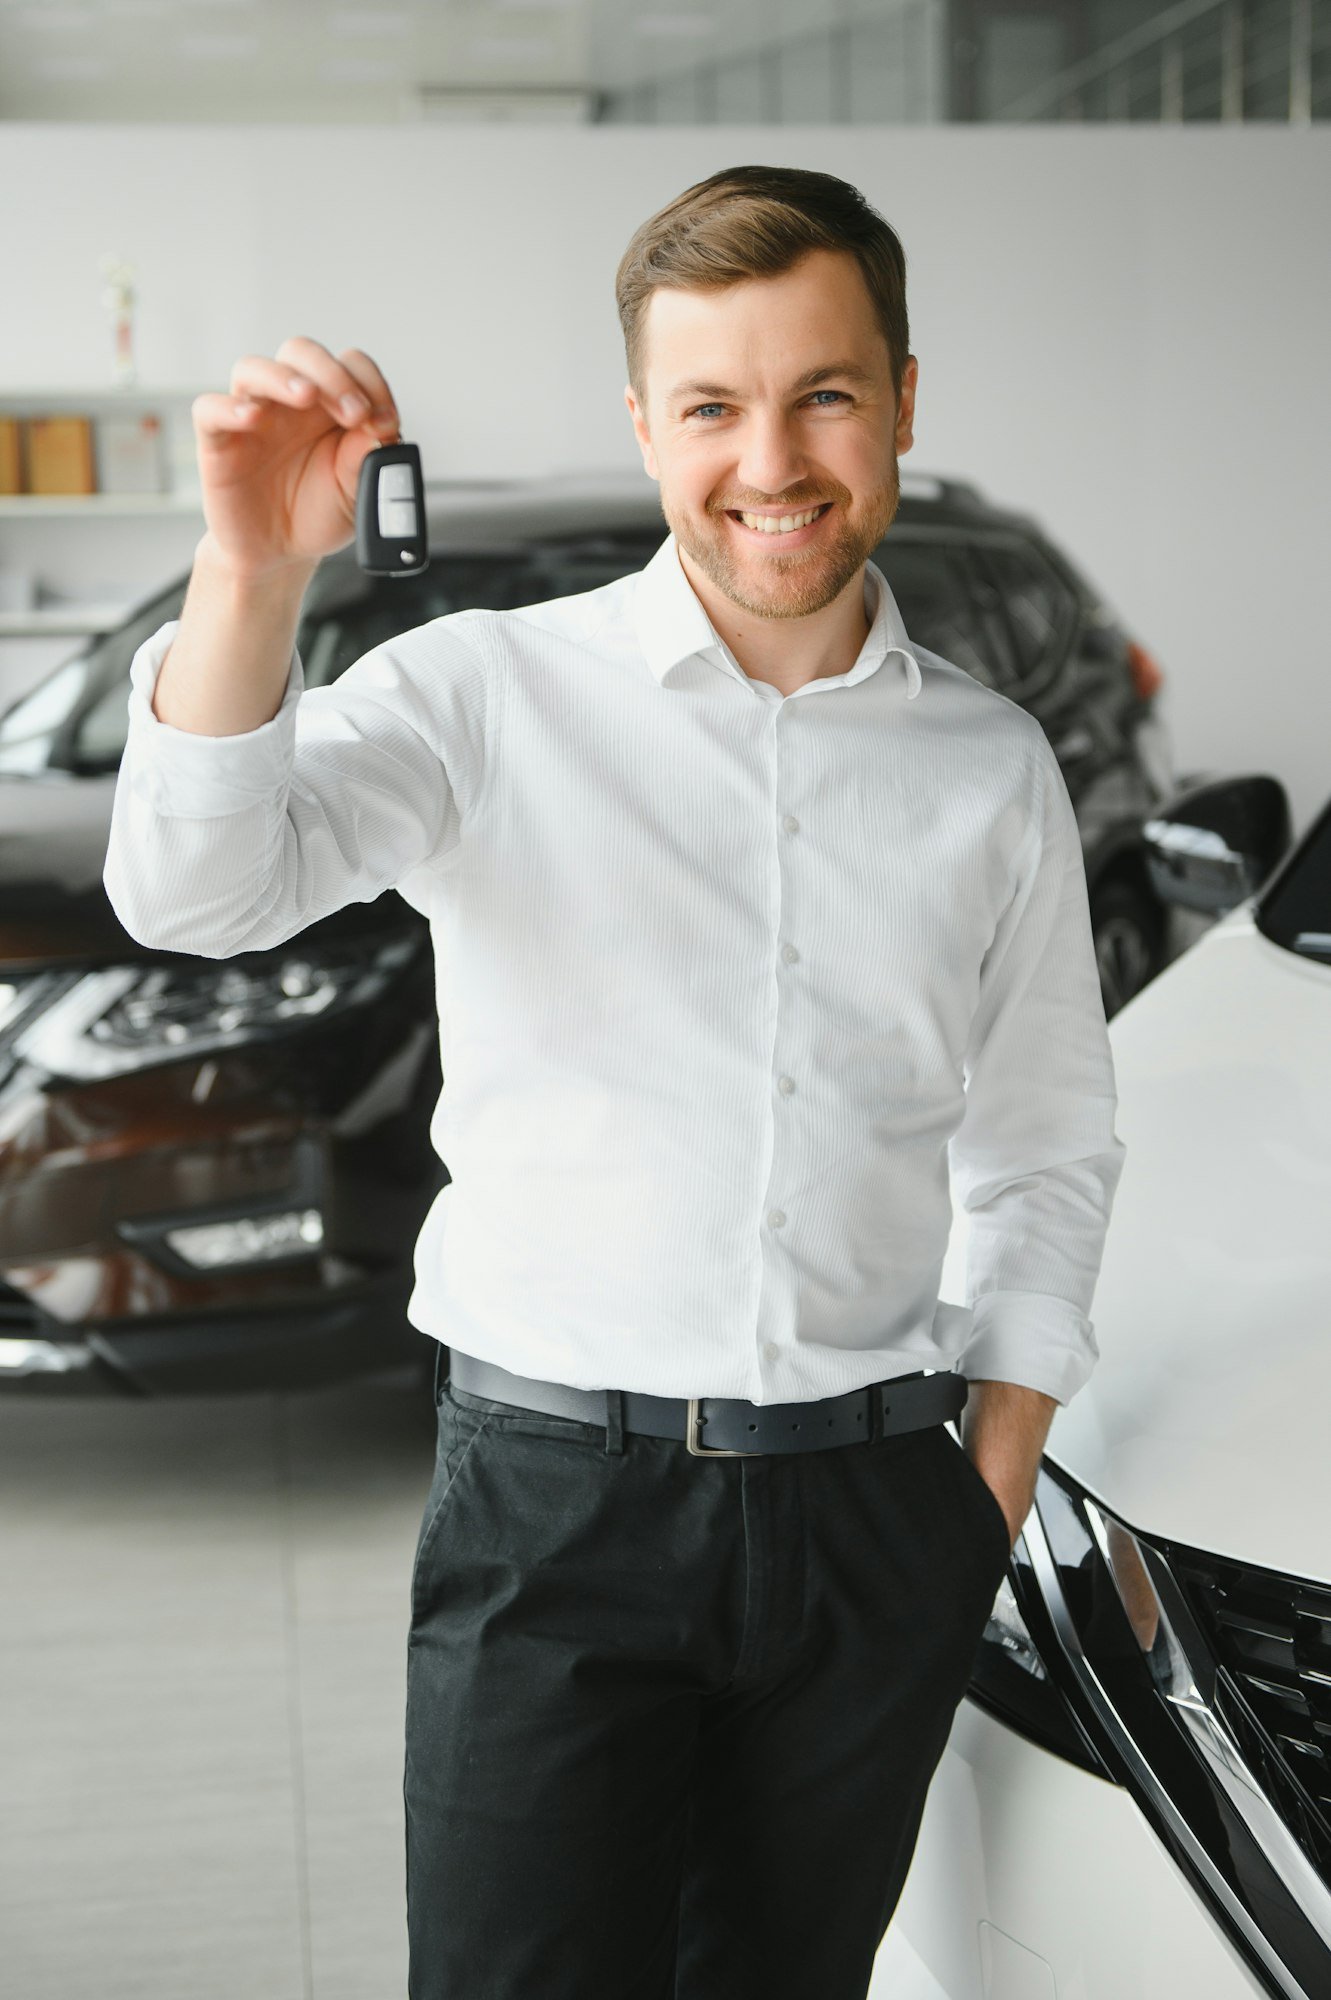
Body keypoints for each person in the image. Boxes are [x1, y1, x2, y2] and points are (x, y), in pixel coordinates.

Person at [103, 163, 1126, 2000]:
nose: (773, 459)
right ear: (647, 424)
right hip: (555, 1513)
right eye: (715, 406)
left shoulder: (993, 769)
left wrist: (977, 1493)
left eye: (823, 392)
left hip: (872, 1517)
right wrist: (253, 569)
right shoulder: (488, 695)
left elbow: (1047, 1144)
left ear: (902, 397)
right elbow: (195, 888)